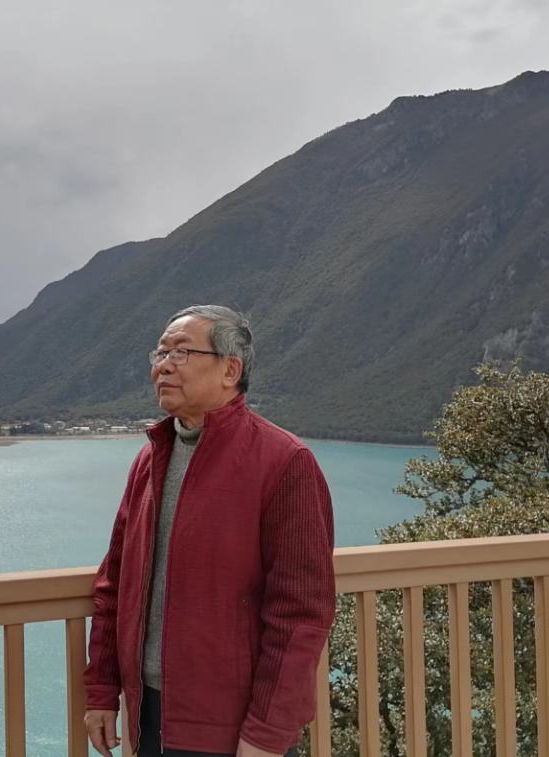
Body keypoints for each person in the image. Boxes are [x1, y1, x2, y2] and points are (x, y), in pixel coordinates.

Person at [83, 305, 337, 757]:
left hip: (234, 725)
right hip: (148, 716)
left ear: (230, 370)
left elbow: (300, 616)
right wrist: (103, 690)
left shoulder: (285, 462)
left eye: (181, 352)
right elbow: (114, 584)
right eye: (160, 353)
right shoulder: (150, 460)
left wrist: (267, 735)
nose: (163, 365)